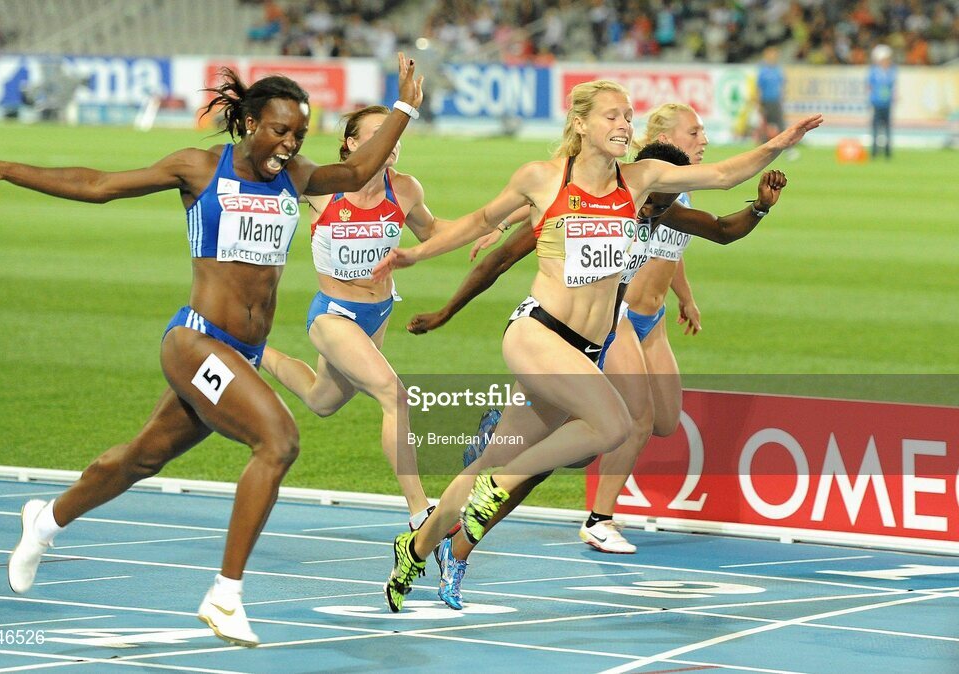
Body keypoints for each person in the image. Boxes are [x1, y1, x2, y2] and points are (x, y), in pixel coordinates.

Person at [0, 53, 424, 646]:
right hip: (195, 341)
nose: (289, 145)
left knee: (141, 458)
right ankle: (225, 594)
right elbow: (98, 186)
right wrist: (6, 169)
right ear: (251, 123)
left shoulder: (295, 177)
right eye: (280, 131)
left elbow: (357, 172)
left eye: (299, 135)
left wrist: (404, 109)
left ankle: (45, 521)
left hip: (240, 354)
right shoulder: (199, 168)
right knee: (278, 441)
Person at [372, 78, 819, 612]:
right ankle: (503, 484)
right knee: (612, 425)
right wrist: (415, 256)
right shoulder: (543, 178)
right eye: (611, 115)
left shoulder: (641, 180)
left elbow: (723, 176)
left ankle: (416, 548)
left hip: (583, 349)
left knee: (485, 464)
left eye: (628, 116)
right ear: (580, 123)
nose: (623, 124)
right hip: (537, 331)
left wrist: (779, 142)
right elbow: (479, 222)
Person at [259, 104, 460, 528]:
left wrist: (490, 225)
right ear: (351, 143)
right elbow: (262, 172)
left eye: (395, 133)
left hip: (378, 313)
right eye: (378, 133)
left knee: (322, 400)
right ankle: (420, 511)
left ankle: (252, 351)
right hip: (333, 316)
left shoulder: (404, 188)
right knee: (395, 396)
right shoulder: (321, 186)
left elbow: (431, 230)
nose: (391, 141)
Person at [868, 44, 897, 159]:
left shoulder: (891, 71)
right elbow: (870, 86)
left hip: (887, 104)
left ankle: (887, 152)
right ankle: (874, 151)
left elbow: (892, 87)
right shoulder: (874, 72)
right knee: (876, 129)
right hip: (877, 103)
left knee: (887, 129)